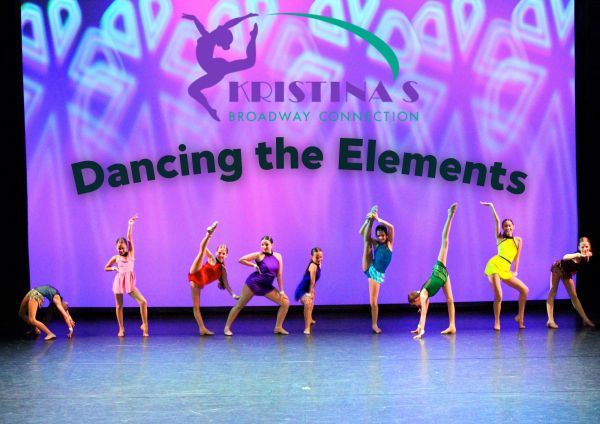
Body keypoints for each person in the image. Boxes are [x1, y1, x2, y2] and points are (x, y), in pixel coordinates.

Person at [182, 12, 258, 121]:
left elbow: (228, 24)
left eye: (220, 30)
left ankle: (253, 37)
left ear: (220, 37)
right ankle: (211, 110)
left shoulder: (209, 38)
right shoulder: (209, 37)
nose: (219, 28)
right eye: (220, 29)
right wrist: (194, 19)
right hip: (216, 68)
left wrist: (246, 17)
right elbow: (229, 24)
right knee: (249, 62)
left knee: (249, 62)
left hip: (216, 69)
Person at [408, 203, 458, 339]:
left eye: (415, 304)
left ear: (416, 299)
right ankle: (452, 326)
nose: (417, 306)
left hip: (439, 269)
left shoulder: (423, 294)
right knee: (450, 300)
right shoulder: (424, 296)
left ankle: (450, 215)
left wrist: (422, 331)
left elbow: (424, 313)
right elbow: (424, 310)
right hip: (443, 278)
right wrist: (419, 327)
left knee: (445, 242)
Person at [223, 236, 289, 336]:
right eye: (262, 244)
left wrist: (282, 291)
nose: (264, 246)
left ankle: (278, 327)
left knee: (285, 303)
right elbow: (241, 260)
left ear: (272, 245)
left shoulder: (278, 256)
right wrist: (254, 265)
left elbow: (279, 275)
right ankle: (227, 328)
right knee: (240, 305)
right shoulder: (259, 255)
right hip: (254, 283)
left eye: (266, 244)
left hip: (266, 286)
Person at [481, 202, 529, 330]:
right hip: (495, 266)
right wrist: (492, 207)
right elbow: (496, 221)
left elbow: (517, 257)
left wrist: (515, 271)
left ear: (513, 226)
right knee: (499, 295)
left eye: (509, 225)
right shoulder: (499, 238)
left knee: (524, 290)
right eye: (505, 226)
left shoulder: (518, 240)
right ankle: (497, 322)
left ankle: (520, 317)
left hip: (506, 269)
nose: (507, 227)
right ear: (503, 228)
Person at [188, 221, 239, 335]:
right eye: (219, 252)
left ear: (226, 255)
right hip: (195, 273)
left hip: (197, 284)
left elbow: (226, 284)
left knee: (196, 308)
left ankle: (202, 329)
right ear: (216, 252)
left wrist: (233, 295)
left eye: (223, 253)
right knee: (202, 252)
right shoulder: (211, 258)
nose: (221, 255)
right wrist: (208, 235)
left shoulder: (222, 269)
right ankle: (209, 234)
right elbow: (202, 246)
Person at [104, 215, 149, 337]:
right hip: (118, 282)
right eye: (119, 248)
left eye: (123, 248)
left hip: (129, 282)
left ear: (126, 247)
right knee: (119, 306)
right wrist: (113, 268)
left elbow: (129, 238)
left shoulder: (131, 254)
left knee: (143, 302)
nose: (121, 250)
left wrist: (130, 224)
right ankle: (121, 328)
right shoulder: (115, 257)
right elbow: (106, 267)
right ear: (116, 248)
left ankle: (145, 326)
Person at [359, 205, 394, 333]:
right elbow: (361, 233)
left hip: (376, 273)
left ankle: (374, 324)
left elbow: (391, 227)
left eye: (382, 235)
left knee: (373, 302)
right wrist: (367, 221)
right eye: (378, 236)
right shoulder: (376, 244)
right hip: (369, 266)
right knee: (367, 242)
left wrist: (378, 219)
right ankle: (370, 219)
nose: (380, 238)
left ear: (386, 235)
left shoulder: (389, 244)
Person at [547, 237, 595, 328]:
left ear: (590, 247)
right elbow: (565, 257)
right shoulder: (577, 255)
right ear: (579, 248)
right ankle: (550, 320)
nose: (585, 249)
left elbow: (577, 268)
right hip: (558, 268)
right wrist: (578, 254)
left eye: (587, 247)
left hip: (567, 272)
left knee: (574, 296)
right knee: (552, 292)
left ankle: (586, 320)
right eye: (582, 247)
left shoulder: (587, 257)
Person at [294, 247, 323, 335]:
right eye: (317, 257)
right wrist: (310, 294)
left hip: (308, 288)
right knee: (308, 303)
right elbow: (312, 282)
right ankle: (307, 327)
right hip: (302, 290)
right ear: (312, 257)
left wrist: (312, 291)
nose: (319, 259)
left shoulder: (319, 264)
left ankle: (310, 319)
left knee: (311, 302)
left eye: (321, 257)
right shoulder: (313, 266)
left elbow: (313, 281)